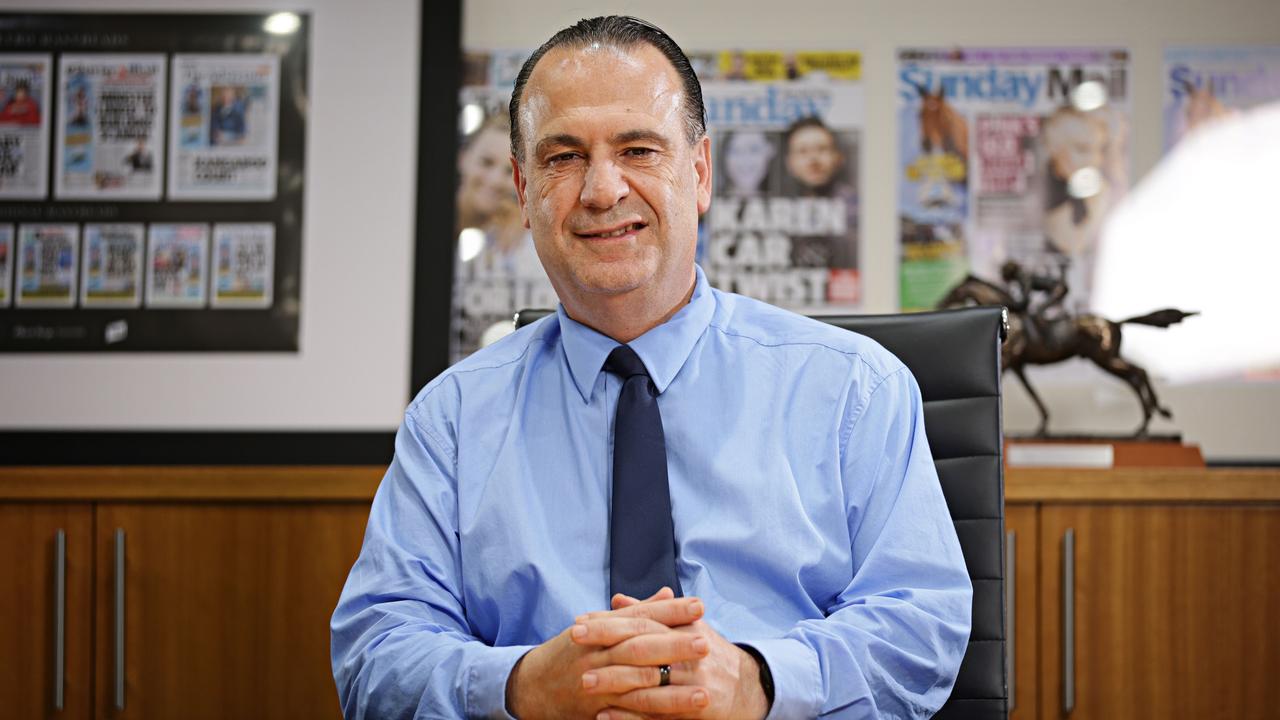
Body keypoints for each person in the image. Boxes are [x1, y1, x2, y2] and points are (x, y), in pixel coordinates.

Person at [332, 15, 970, 720]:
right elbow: (375, 653)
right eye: (563, 157)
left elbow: (921, 626)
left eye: (638, 149)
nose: (603, 190)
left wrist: (761, 682)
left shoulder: (856, 390)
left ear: (698, 172)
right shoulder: (449, 421)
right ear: (522, 186)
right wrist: (524, 686)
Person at [781, 116, 859, 268]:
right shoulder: (777, 210)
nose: (813, 159)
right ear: (789, 162)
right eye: (803, 151)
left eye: (822, 149)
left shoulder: (857, 210)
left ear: (838, 157)